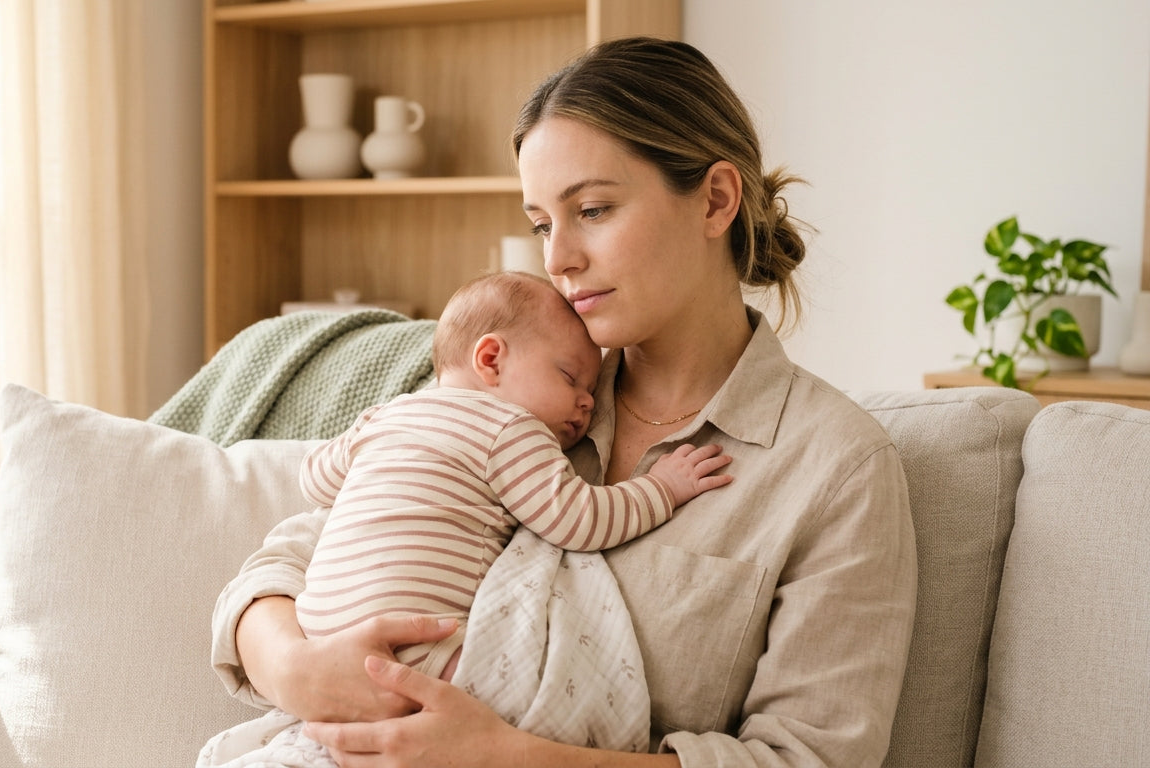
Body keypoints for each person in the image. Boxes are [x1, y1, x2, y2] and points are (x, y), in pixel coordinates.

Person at [211, 36, 918, 767]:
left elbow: (809, 760)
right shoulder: (510, 392)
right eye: (542, 224)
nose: (557, 260)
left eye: (593, 209)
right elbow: (293, 558)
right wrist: (294, 670)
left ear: (715, 200)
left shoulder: (834, 469)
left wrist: (505, 757)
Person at [198, 270, 733, 766]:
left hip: (325, 645)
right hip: (423, 653)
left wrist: (368, 445)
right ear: (491, 359)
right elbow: (579, 519)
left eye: (590, 391)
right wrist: (661, 489)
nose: (585, 402)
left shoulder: (387, 415)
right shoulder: (511, 429)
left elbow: (315, 480)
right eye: (570, 377)